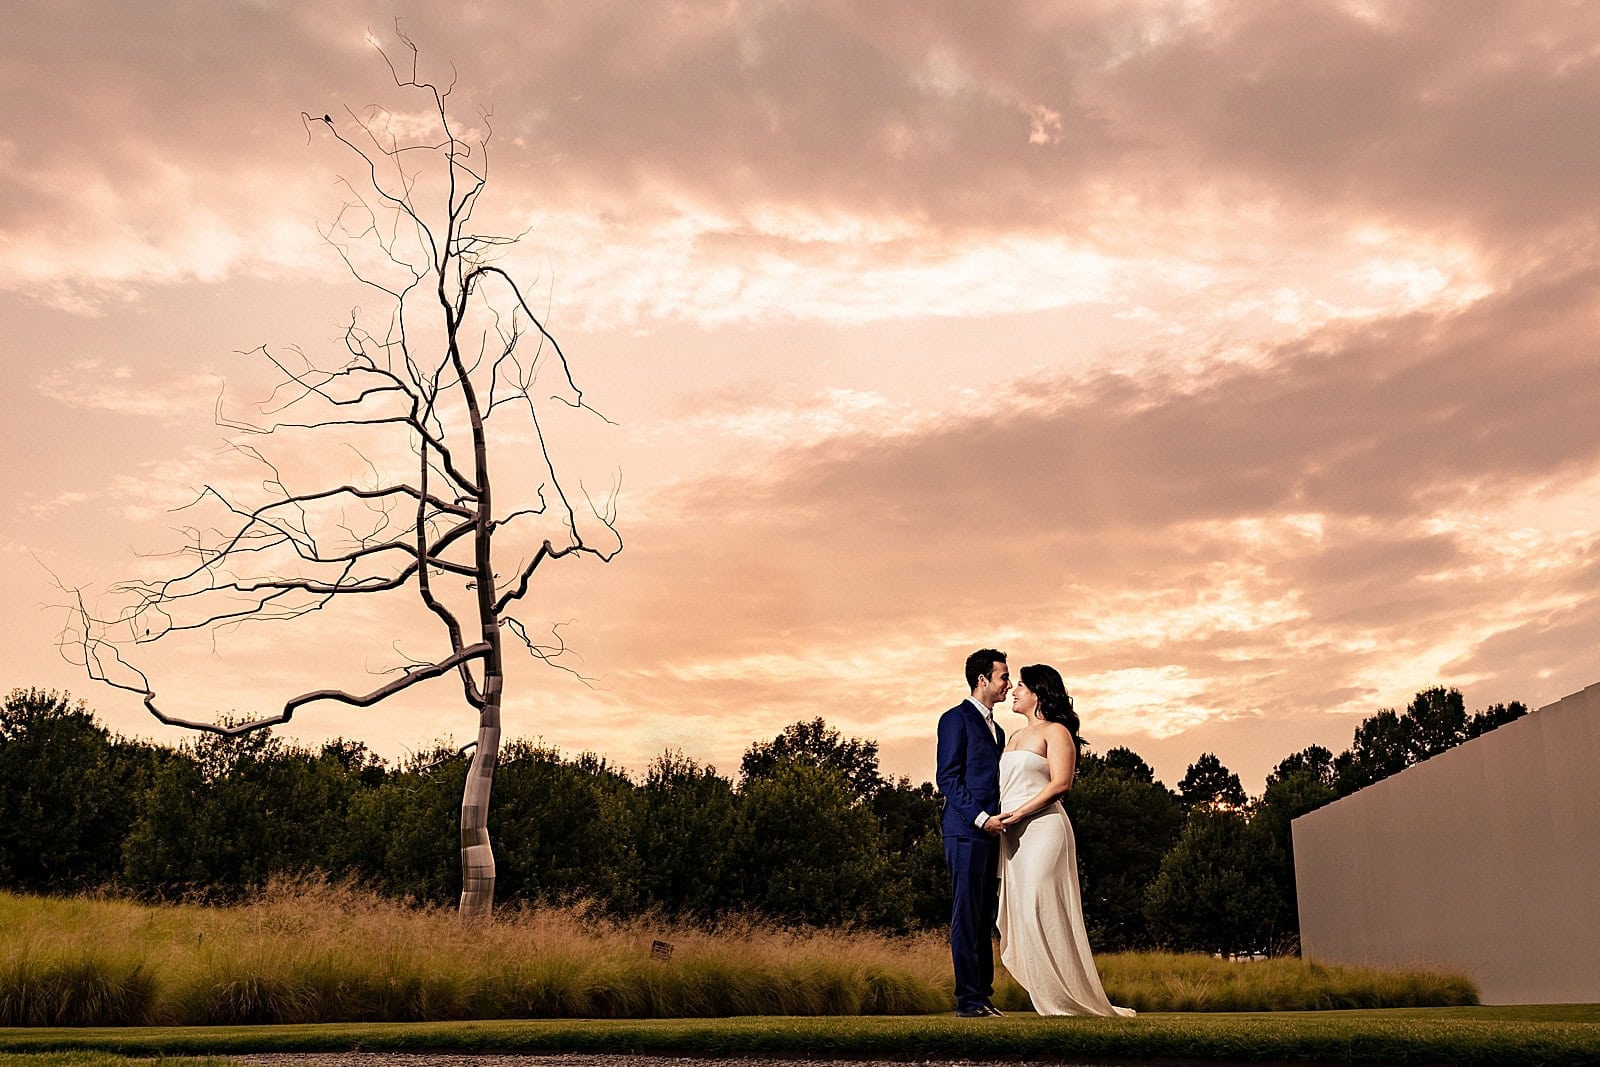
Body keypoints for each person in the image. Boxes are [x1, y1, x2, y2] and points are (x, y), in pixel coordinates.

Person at [996, 664, 1135, 1017]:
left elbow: (1060, 784)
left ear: (1039, 693)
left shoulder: (1057, 732)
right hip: (1013, 835)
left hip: (1043, 827)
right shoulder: (1012, 738)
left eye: (1022, 686)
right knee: (1023, 913)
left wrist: (1022, 812)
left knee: (1040, 905)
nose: (1014, 691)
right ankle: (1049, 996)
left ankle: (1065, 1000)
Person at [936, 648, 1009, 1018]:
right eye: (1003, 677)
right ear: (982, 680)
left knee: (983, 918)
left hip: (991, 834)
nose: (1008, 685)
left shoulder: (999, 731)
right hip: (965, 832)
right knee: (965, 915)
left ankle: (983, 995)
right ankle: (967, 1001)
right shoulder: (955, 719)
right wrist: (982, 818)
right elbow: (947, 777)